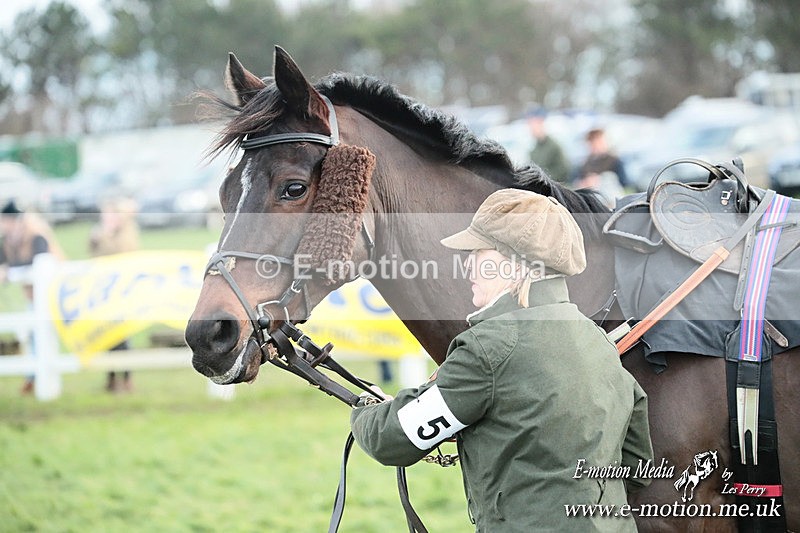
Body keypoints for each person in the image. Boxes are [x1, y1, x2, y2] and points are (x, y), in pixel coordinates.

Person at [350, 189, 653, 531]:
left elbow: (391, 440)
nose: (467, 265)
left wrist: (364, 407)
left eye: (477, 253)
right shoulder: (599, 341)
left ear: (514, 264)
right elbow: (637, 463)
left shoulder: (488, 347)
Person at [0, 200, 64, 394]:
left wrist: (9, 271)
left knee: (41, 333)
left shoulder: (36, 234)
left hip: (52, 293)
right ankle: (33, 376)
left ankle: (35, 377)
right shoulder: (9, 238)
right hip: (33, 295)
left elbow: (40, 261)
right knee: (34, 334)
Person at [89, 197, 140, 393]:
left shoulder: (126, 233)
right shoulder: (99, 233)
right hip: (104, 292)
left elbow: (123, 255)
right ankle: (111, 378)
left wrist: (106, 237)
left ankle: (126, 378)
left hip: (122, 291)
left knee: (121, 337)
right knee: (107, 336)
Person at [575, 128, 629, 204]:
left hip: (611, 200)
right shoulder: (585, 163)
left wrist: (600, 180)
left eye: (598, 142)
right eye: (593, 143)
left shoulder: (614, 160)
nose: (596, 145)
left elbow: (624, 182)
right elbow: (576, 181)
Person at [526, 107, 571, 184]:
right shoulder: (534, 149)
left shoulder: (554, 146)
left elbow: (564, 169)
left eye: (534, 124)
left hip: (556, 187)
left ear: (541, 123)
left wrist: (542, 179)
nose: (531, 128)